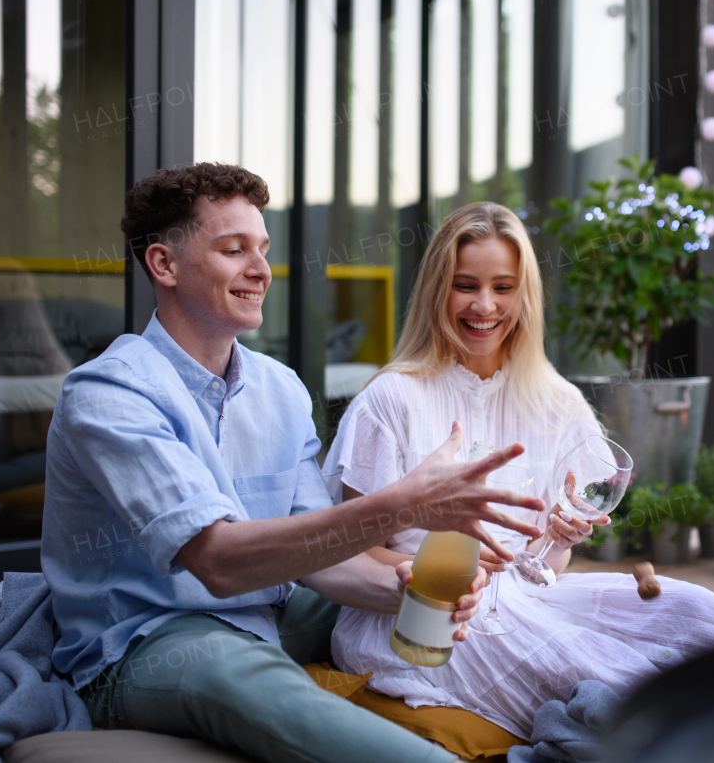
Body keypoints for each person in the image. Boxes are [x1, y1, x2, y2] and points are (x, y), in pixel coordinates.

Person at [40, 164, 544, 763]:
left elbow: (325, 565)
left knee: (444, 583)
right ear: (164, 265)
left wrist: (406, 591)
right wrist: (401, 505)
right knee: (238, 670)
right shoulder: (107, 395)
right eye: (234, 250)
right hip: (146, 640)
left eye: (263, 249)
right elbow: (217, 562)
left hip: (273, 613)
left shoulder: (280, 389)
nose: (261, 270)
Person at [326, 202, 714, 738]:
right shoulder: (391, 400)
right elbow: (345, 546)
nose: (485, 305)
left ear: (524, 295)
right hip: (420, 615)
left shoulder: (558, 403)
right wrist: (435, 574)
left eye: (503, 287)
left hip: (526, 596)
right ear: (438, 290)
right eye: (465, 285)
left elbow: (547, 563)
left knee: (696, 613)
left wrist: (559, 535)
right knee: (608, 671)